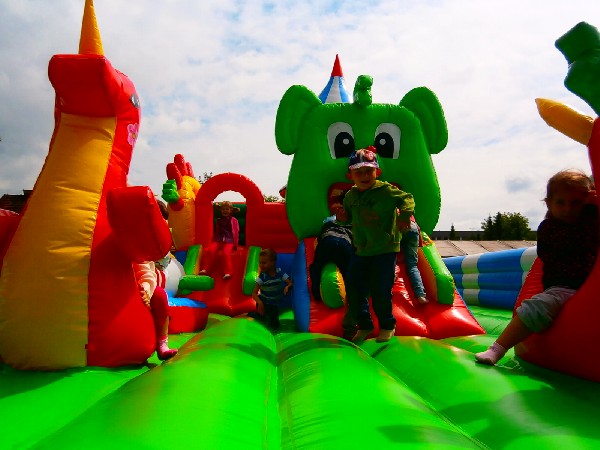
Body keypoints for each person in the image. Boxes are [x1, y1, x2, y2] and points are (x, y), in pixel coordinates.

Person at [475, 169, 598, 365]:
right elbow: (577, 240)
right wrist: (591, 210)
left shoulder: (590, 223)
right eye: (561, 202)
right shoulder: (550, 228)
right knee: (536, 307)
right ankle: (497, 348)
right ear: (549, 203)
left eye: (576, 203)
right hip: (563, 288)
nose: (568, 209)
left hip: (592, 286)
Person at [336, 146, 415, 343]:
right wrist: (342, 218)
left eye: (368, 171)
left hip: (384, 248)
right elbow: (348, 219)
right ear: (350, 175)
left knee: (380, 290)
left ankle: (387, 325)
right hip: (361, 249)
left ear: (377, 172)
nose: (364, 176)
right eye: (359, 172)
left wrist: (404, 216)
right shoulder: (350, 196)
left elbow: (407, 199)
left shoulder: (385, 190)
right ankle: (365, 325)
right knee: (354, 289)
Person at [133, 200, 178, 361]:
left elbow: (145, 267)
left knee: (160, 296)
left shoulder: (154, 237)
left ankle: (162, 343)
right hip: (136, 273)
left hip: (150, 273)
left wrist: (146, 288)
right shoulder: (134, 232)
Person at [251, 248, 293, 330]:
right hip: (263, 303)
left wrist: (287, 287)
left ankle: (264, 316)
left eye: (264, 263)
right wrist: (260, 303)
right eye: (260, 262)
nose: (261, 265)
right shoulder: (262, 277)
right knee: (262, 319)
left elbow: (290, 282)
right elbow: (254, 293)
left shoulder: (279, 273)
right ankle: (255, 314)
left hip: (274, 305)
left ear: (273, 262)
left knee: (275, 325)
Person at [199, 201, 240, 280]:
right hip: (218, 239)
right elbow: (217, 231)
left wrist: (235, 244)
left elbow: (236, 232)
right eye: (223, 209)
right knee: (210, 250)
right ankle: (205, 269)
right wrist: (213, 241)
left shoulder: (233, 220)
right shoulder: (219, 220)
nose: (225, 211)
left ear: (230, 210)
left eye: (227, 209)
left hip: (229, 240)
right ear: (221, 210)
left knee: (226, 253)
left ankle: (228, 272)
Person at [400, 217, 429, 304]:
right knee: (412, 266)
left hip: (397, 225)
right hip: (413, 227)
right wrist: (419, 243)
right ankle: (420, 295)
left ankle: (386, 292)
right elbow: (417, 228)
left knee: (390, 262)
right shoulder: (409, 212)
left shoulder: (392, 209)